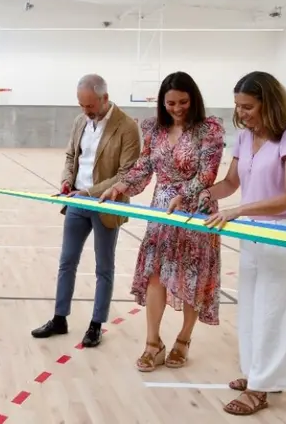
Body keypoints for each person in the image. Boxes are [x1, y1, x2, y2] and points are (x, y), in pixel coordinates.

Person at [99, 71, 225, 371]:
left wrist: (186, 194)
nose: (177, 108)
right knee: (155, 274)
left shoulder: (209, 130)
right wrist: (119, 187)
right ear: (162, 102)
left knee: (192, 276)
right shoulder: (154, 129)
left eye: (183, 101)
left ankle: (183, 339)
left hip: (195, 210)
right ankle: (152, 344)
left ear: (193, 99)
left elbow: (208, 173)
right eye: (171, 103)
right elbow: (143, 167)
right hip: (161, 212)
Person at [201, 71, 286, 416]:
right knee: (252, 307)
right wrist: (199, 194)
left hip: (282, 234)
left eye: (249, 107)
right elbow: (229, 183)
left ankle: (261, 388)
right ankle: (258, 372)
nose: (242, 114)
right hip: (251, 232)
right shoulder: (243, 138)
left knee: (273, 310)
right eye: (238, 107)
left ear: (269, 104)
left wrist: (239, 210)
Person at [30, 74, 141, 347]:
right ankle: (59, 318)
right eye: (81, 105)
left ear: (105, 98)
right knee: (67, 262)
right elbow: (71, 156)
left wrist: (90, 192)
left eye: (90, 106)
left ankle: (96, 325)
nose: (85, 111)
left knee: (104, 267)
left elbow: (126, 173)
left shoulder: (127, 127)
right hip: (77, 202)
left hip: (105, 204)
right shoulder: (80, 121)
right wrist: (67, 180)